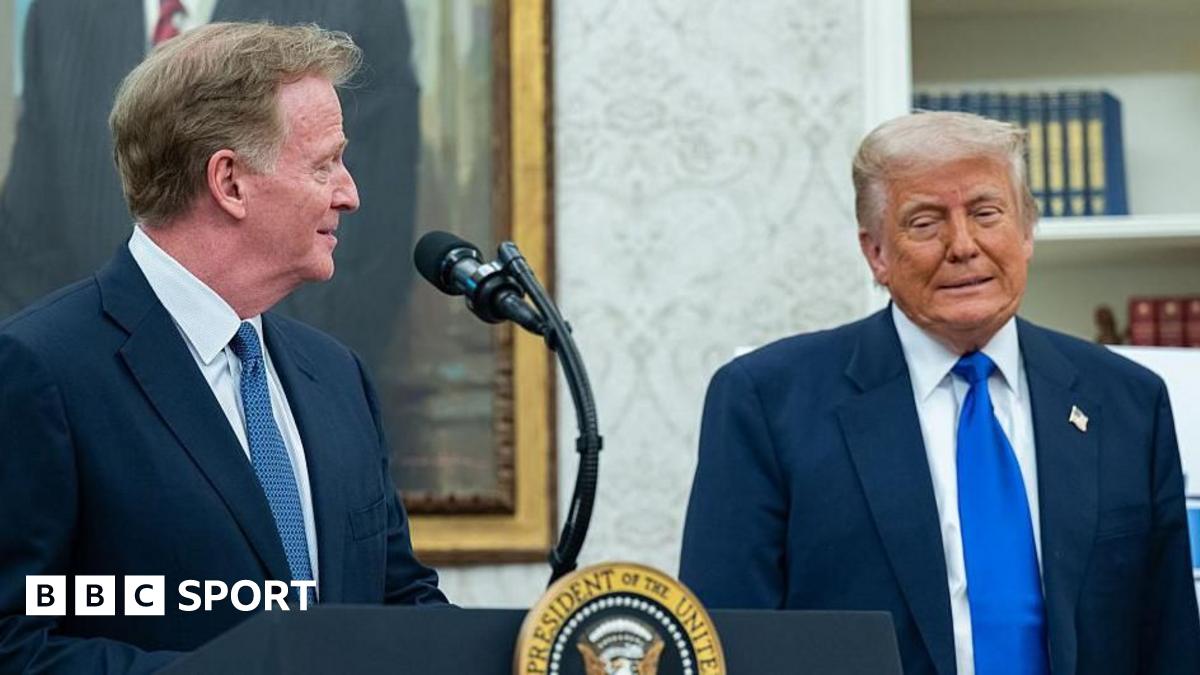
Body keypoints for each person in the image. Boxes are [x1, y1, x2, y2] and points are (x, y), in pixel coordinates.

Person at [679, 112, 1200, 674]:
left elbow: (1168, 643)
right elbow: (725, 645)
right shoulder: (766, 402)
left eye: (986, 213)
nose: (963, 245)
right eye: (925, 223)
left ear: (1026, 231)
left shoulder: (1127, 402)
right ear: (876, 252)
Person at [0, 23, 446, 674]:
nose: (349, 192)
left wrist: (536, 647)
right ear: (230, 182)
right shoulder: (39, 370)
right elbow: (14, 643)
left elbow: (399, 601)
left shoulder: (337, 374)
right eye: (325, 164)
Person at [0, 0, 418, 372]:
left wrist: (303, 381)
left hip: (280, 382)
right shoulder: (60, 12)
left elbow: (378, 250)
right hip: (93, 390)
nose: (347, 193)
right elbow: (28, 243)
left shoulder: (359, 10)